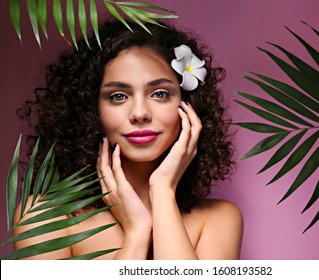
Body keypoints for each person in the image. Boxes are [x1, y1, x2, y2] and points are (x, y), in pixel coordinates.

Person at [13, 18, 243, 260]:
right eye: (118, 96)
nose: (140, 113)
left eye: (160, 93)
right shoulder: (46, 218)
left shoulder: (218, 219)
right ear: (90, 110)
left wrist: (162, 192)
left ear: (188, 106)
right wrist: (136, 233)